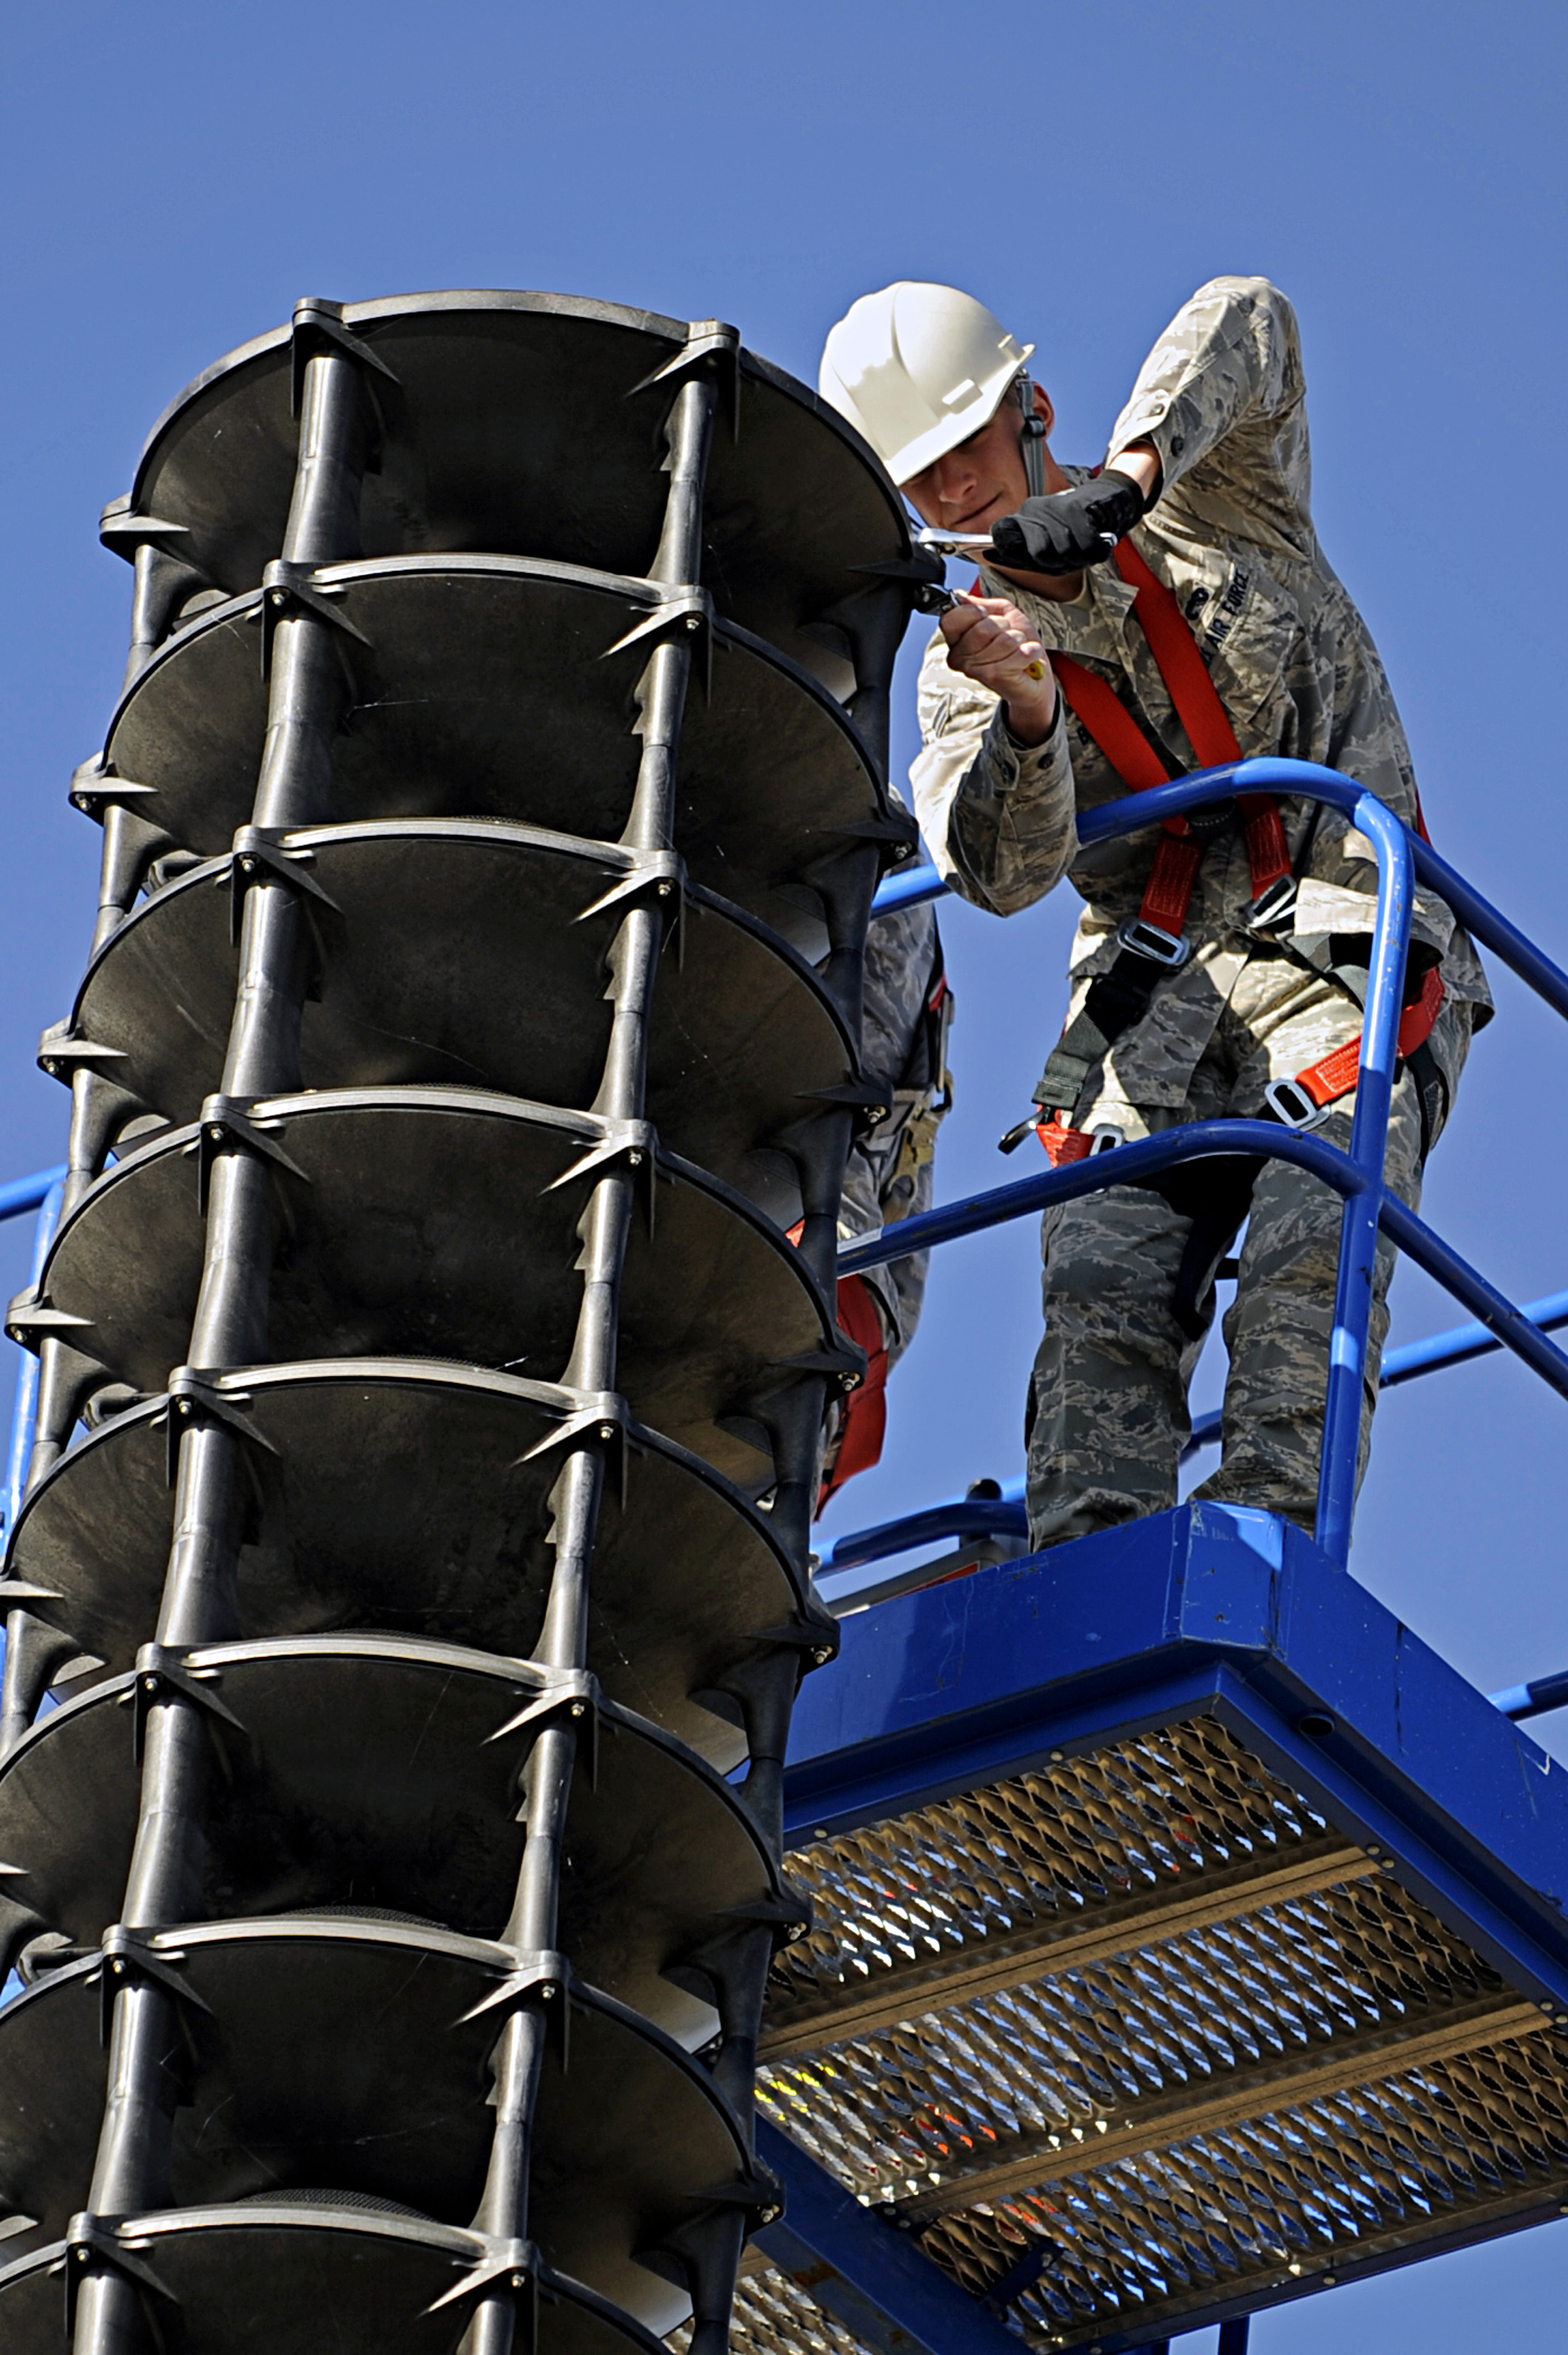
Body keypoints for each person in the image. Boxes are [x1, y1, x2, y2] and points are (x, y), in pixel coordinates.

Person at [817, 276, 1490, 1547]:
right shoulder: (965, 665)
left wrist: (1124, 482)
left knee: (1312, 1245)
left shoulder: (1217, 496)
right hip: (1153, 990)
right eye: (924, 479)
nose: (956, 492)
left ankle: (1272, 1565)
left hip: (1347, 933)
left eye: (968, 445)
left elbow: (1253, 318)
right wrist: (1022, 704)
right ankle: (1093, 1596)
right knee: (1096, 1287)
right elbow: (996, 873)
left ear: (1034, 409)